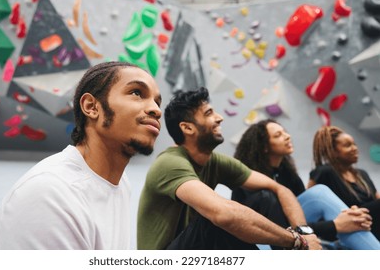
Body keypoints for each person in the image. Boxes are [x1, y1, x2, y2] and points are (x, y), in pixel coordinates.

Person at [0, 61, 162, 249]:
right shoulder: (50, 194)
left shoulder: (120, 183)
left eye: (157, 101)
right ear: (91, 107)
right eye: (137, 93)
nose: (156, 110)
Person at [137, 87, 321, 250]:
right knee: (214, 220)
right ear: (187, 128)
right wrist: (296, 241)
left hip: (200, 253)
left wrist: (304, 233)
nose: (220, 118)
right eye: (209, 113)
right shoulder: (170, 163)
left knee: (264, 197)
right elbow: (224, 214)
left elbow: (279, 188)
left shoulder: (215, 161)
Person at [232, 119, 379, 250]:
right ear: (264, 146)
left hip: (295, 233)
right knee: (318, 194)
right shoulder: (249, 180)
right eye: (278, 135)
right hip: (263, 240)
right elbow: (277, 227)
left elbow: (301, 221)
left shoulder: (287, 174)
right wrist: (335, 225)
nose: (288, 136)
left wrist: (346, 218)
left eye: (285, 132)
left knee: (323, 197)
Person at [310, 125, 380, 241]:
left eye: (354, 144)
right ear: (333, 152)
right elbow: (312, 205)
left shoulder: (362, 174)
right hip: (346, 228)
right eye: (348, 145)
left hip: (371, 225)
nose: (355, 148)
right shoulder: (325, 172)